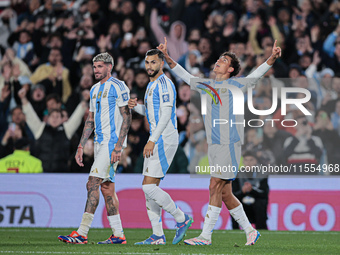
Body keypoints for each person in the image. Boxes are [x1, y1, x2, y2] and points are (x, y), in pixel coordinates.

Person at [157, 37, 281, 245]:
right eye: (219, 59)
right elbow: (185, 75)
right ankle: (251, 231)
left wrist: (272, 58)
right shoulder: (206, 85)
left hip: (229, 143)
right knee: (225, 193)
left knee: (214, 184)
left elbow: (256, 75)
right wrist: (167, 57)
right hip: (214, 145)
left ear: (231, 69)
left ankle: (205, 236)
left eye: (224, 60)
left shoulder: (236, 85)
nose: (218, 61)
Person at [58, 52, 131, 244]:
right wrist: (81, 145)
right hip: (99, 143)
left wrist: (118, 146)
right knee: (107, 189)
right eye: (94, 66)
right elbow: (90, 119)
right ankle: (118, 234)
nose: (95, 70)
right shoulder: (93, 90)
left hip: (111, 142)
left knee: (92, 183)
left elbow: (127, 116)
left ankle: (82, 233)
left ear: (109, 67)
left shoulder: (118, 86)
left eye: (99, 66)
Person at [128, 49, 193, 245]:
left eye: (153, 62)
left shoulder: (165, 84)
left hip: (164, 138)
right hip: (157, 137)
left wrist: (152, 140)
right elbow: (150, 112)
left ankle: (182, 218)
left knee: (148, 186)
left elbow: (165, 115)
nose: (149, 66)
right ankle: (157, 235)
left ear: (161, 63)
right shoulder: (151, 85)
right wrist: (135, 107)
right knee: (150, 188)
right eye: (147, 62)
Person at [232, 151, 269, 230]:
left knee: (260, 203)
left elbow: (264, 193)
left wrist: (252, 190)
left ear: (255, 161)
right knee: (234, 204)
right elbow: (233, 194)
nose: (248, 162)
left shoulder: (262, 174)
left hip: (256, 202)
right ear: (243, 161)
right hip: (242, 202)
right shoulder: (237, 175)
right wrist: (242, 191)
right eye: (246, 160)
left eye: (251, 160)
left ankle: (261, 229)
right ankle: (235, 230)